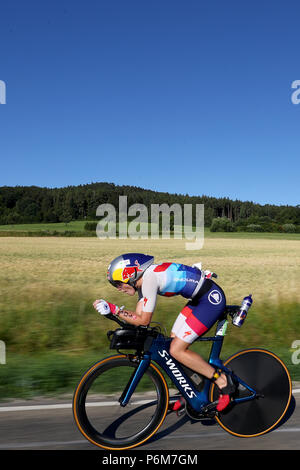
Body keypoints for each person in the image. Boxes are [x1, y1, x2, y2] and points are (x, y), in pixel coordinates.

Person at [93, 253, 235, 412]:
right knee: (172, 344)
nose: (119, 289)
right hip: (198, 300)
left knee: (176, 349)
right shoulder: (143, 282)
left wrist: (115, 309)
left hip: (209, 300)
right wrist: (112, 313)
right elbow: (138, 317)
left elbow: (144, 320)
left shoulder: (149, 280)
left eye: (118, 284)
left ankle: (223, 382)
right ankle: (192, 388)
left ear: (130, 275)